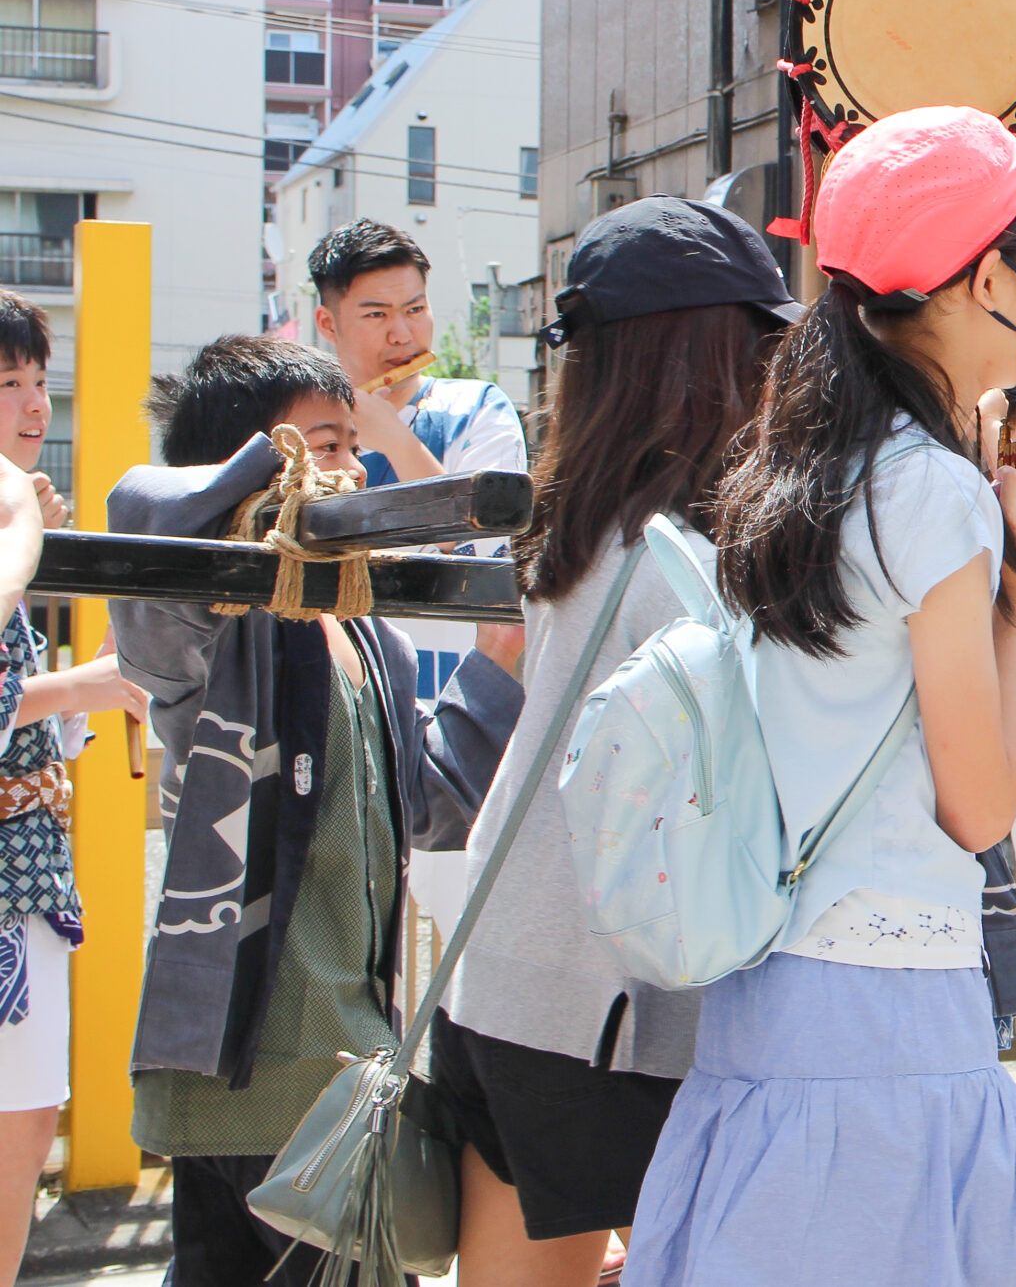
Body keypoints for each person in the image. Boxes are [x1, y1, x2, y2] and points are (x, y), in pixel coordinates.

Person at [624, 106, 1016, 1287]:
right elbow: (980, 807)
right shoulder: (937, 495)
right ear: (988, 280)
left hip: (769, 989)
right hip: (891, 1005)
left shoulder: (799, 470)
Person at [436, 199, 800, 1285]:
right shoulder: (698, 554)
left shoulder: (573, 525)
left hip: (506, 965)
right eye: (761, 343)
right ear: (705, 355)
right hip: (621, 996)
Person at [107, 336, 521, 1287]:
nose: (350, 471)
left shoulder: (365, 629)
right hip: (234, 1061)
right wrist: (266, 479)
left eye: (350, 446)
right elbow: (142, 509)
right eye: (322, 446)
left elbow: (433, 804)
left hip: (338, 1063)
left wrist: (495, 664)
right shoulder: (212, 614)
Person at [309, 220, 529, 937]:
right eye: (376, 314)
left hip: (454, 704)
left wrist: (393, 438)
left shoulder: (477, 408)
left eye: (415, 308)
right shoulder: (301, 429)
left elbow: (487, 552)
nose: (401, 333)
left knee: (464, 936)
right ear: (328, 323)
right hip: (341, 710)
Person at [0, 292, 104, 1287]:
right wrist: (94, 683)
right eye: (9, 383)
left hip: (26, 873)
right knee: (18, 1123)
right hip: (7, 882)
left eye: (39, 380)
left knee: (26, 1122)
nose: (35, 403)